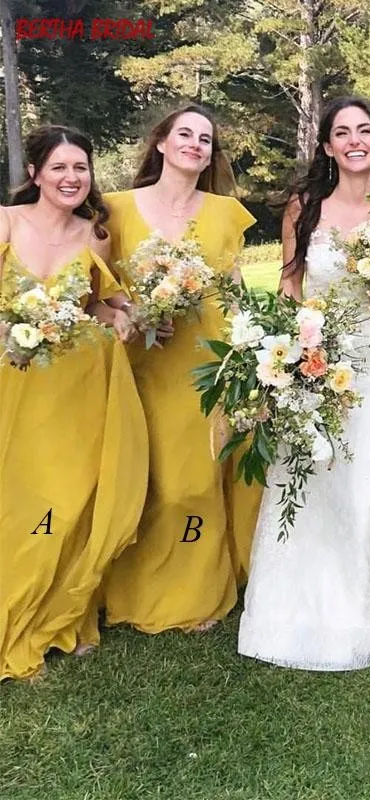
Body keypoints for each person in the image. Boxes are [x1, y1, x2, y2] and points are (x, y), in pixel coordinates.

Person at [238, 96, 370, 670]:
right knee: (308, 473)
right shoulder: (304, 205)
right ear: (327, 147)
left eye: (365, 130)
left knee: (368, 475)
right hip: (315, 358)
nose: (355, 140)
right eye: (342, 132)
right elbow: (291, 285)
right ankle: (295, 612)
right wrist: (288, 357)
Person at [102, 105, 260, 634]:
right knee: (150, 480)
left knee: (194, 481)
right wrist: (133, 313)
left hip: (210, 361)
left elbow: (234, 283)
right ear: (162, 144)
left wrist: (253, 343)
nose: (196, 144)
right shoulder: (117, 209)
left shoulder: (223, 211)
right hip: (145, 361)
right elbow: (99, 284)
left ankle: (197, 591)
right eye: (185, 135)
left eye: (206, 139)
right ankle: (131, 586)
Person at [0, 125, 146, 681]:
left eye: (80, 168)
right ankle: (16, 621)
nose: (71, 178)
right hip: (16, 388)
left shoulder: (95, 235)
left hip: (80, 391)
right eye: (59, 168)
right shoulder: (6, 223)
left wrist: (124, 319)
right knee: (22, 509)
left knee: (67, 508)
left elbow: (104, 306)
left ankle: (61, 618)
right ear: (35, 173)